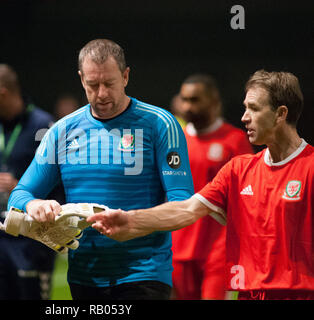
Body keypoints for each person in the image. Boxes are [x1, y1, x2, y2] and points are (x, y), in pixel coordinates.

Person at [88, 70, 314, 300]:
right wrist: (131, 219)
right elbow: (187, 209)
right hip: (248, 294)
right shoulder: (238, 169)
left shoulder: (309, 168)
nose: (244, 116)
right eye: (245, 107)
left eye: (254, 108)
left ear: (281, 114)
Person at [6, 39, 194, 300]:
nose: (102, 93)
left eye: (110, 83)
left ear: (126, 76)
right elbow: (20, 193)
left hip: (144, 273)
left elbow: (184, 205)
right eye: (93, 85)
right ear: (81, 79)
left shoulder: (160, 124)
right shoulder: (62, 131)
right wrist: (35, 205)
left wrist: (133, 223)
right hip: (85, 276)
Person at [0, 64, 63, 299]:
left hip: (32, 241)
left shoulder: (44, 126)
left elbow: (61, 184)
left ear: (3, 93)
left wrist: (21, 189)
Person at [171, 74, 253, 300]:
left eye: (195, 100)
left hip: (218, 249)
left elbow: (247, 196)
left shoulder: (235, 140)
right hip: (178, 248)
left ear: (214, 101)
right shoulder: (174, 142)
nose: (188, 107)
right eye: (185, 100)